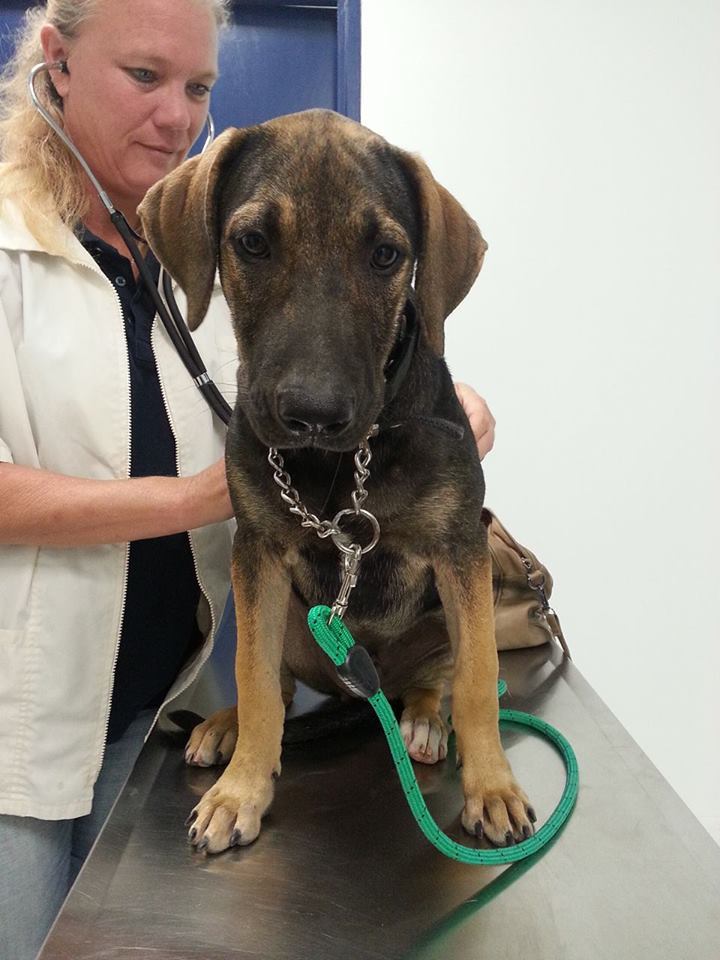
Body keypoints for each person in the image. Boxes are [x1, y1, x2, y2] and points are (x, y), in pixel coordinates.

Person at [0, 1, 495, 957]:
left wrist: (433, 403)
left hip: (162, 713)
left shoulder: (202, 231)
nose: (176, 116)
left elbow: (320, 377)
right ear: (56, 61)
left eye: (198, 86)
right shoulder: (83, 236)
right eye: (144, 76)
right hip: (20, 715)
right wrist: (195, 499)